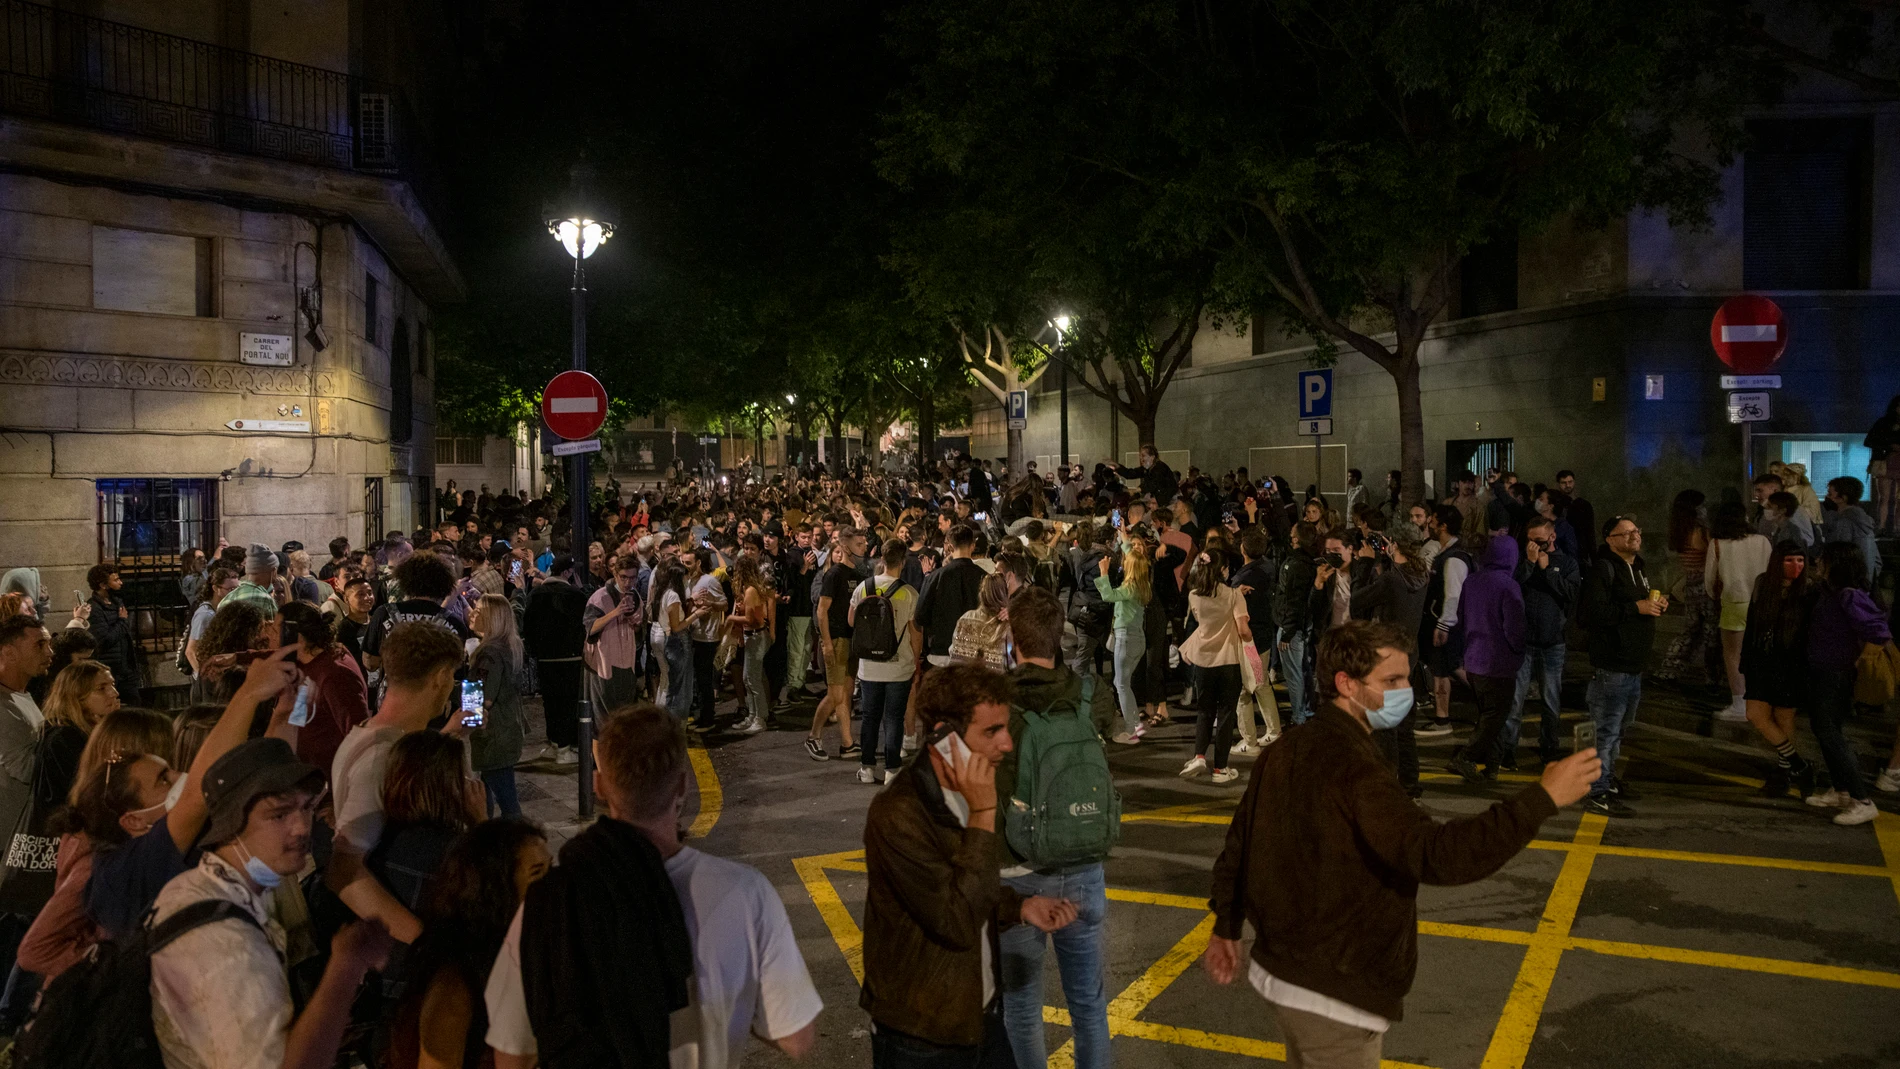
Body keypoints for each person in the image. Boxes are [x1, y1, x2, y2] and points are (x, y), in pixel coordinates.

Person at [1203, 620, 1601, 1068]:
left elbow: (1240, 840)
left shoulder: (1291, 746)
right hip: (1332, 994)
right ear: (1346, 684)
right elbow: (1437, 855)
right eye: (1390, 681)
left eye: (1406, 679)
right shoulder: (1356, 768)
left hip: (1283, 973)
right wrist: (1542, 799)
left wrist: (1227, 924)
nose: (1404, 691)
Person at [484, 705, 823, 1068]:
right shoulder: (747, 894)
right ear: (682, 786)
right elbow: (797, 1038)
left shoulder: (547, 901)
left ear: (599, 786)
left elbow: (511, 1053)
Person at [860, 665, 1076, 1069]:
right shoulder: (898, 815)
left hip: (979, 1017)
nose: (1008, 743)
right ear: (944, 737)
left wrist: (1018, 907)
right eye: (992, 731)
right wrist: (983, 813)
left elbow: (966, 883)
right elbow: (955, 919)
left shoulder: (966, 789)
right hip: (923, 1033)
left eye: (1006, 727)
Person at [148, 737, 394, 1069]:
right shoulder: (222, 941)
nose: (301, 828)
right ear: (231, 823)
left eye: (306, 807)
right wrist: (347, 966)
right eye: (278, 815)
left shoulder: (197, 888)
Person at [995, 587, 1112, 1069]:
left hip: (1021, 871)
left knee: (1022, 1007)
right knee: (1088, 1003)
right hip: (1084, 860)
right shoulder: (1090, 694)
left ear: (1013, 639)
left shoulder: (999, 703)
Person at [327, 621, 468, 946]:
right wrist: (426, 944)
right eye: (451, 676)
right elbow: (344, 869)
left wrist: (450, 736)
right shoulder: (381, 757)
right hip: (398, 951)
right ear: (439, 677)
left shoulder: (375, 736)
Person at [384, 819, 550, 1069]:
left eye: (552, 868)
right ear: (496, 891)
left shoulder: (529, 954)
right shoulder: (455, 987)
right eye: (537, 873)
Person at [1580, 515, 1666, 816]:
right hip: (1612, 665)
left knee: (1619, 730)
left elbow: (1637, 603)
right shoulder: (1602, 570)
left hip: (1633, 665)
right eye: (1626, 533)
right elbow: (1592, 613)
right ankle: (1595, 792)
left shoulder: (1637, 567)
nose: (1634, 536)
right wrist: (1636, 608)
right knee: (1605, 730)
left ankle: (1608, 779)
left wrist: (1655, 603)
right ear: (1610, 540)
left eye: (1636, 530)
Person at [1800, 543, 1889, 826]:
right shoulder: (1830, 593)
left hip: (1835, 674)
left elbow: (1878, 631)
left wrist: (1859, 662)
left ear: (1834, 564)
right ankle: (1840, 790)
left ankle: (1862, 800)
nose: (1816, 564)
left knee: (1830, 733)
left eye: (1821, 560)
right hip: (1822, 670)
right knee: (1825, 729)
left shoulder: (1849, 596)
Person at [1739, 541, 1818, 798]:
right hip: (1761, 661)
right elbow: (1752, 624)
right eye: (1789, 560)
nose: (1796, 566)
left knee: (1785, 719)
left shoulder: (1809, 590)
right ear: (1777, 562)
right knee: (1755, 714)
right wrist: (1746, 662)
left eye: (1800, 560)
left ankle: (1783, 774)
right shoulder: (1764, 584)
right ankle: (1800, 766)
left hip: (1791, 666)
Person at [1446, 533, 1526, 784]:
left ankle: (1492, 766)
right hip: (1499, 662)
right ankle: (1465, 757)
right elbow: (1515, 628)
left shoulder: (1472, 581)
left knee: (1489, 715)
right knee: (1496, 716)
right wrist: (1518, 652)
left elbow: (1460, 616)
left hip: (1474, 659)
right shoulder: (1508, 585)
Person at [1502, 517, 1580, 771]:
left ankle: (1549, 750)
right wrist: (1529, 564)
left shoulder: (1567, 563)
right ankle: (1508, 752)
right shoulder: (1525, 561)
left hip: (1552, 642)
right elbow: (1511, 588)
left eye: (1539, 541)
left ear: (1552, 537)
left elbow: (1571, 595)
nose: (1534, 545)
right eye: (1530, 541)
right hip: (1524, 641)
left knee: (1551, 701)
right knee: (1515, 701)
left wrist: (1547, 571)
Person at [851, 539, 922, 784]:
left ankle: (867, 768)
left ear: (881, 560)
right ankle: (892, 770)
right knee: (893, 718)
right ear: (902, 562)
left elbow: (852, 621)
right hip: (898, 666)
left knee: (869, 717)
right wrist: (917, 662)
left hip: (869, 666)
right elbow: (915, 634)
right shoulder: (909, 593)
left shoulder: (863, 587)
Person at [1178, 551, 1251, 785]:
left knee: (1205, 710)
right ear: (1222, 570)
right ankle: (1220, 768)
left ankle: (1199, 756)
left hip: (1203, 661)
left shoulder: (1194, 596)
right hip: (1228, 660)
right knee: (1227, 713)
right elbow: (1243, 630)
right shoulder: (1233, 596)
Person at [278, 601, 370, 780]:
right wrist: (236, 658)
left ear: (292, 634)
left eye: (274, 629)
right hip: (306, 778)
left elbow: (358, 734)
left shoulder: (335, 674)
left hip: (327, 787)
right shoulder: (307, 660)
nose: (268, 635)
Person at [1705, 502, 1772, 722]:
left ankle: (1739, 704)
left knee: (1733, 655)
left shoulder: (1717, 543)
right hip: (1763, 603)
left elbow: (1709, 581)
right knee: (1760, 652)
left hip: (1734, 602)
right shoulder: (1762, 540)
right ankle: (1763, 700)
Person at [524, 555, 588, 765]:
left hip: (545, 658)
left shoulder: (536, 594)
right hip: (570, 657)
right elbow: (585, 624)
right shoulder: (574, 595)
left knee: (550, 702)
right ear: (567, 572)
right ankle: (564, 748)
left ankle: (553, 743)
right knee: (568, 702)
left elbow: (528, 626)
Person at [470, 593, 529, 818]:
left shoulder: (489, 653)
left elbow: (483, 696)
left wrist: (453, 690)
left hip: (493, 733)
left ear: (492, 618)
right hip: (505, 729)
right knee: (489, 791)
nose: (472, 614)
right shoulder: (507, 647)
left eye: (478, 611)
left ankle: (514, 843)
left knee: (506, 799)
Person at [810, 529, 866, 760]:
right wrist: (827, 643)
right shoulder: (833, 575)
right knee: (834, 694)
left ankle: (847, 742)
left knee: (845, 693)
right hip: (836, 639)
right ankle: (813, 737)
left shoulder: (860, 575)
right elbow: (822, 611)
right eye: (859, 544)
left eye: (864, 543)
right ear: (845, 547)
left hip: (851, 639)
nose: (864, 547)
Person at [1415, 506, 1471, 737]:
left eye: (1434, 521)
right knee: (1452, 666)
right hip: (1443, 621)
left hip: (1445, 623)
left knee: (1442, 669)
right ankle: (1491, 701)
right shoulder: (1447, 554)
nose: (1430, 524)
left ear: (1444, 526)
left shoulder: (1453, 559)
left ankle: (1442, 720)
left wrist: (1443, 624)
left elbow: (1453, 595)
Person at [1096, 534, 1153, 745]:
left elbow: (1108, 595)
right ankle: (1135, 725)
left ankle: (1131, 731)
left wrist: (1103, 573)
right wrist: (1124, 540)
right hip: (1137, 638)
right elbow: (1134, 557)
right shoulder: (1143, 582)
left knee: (1121, 684)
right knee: (1124, 683)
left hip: (1126, 638)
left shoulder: (1129, 588)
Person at [1657, 490, 1716, 685]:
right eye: (1702, 505)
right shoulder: (1701, 532)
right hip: (1705, 586)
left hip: (1690, 585)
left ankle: (1670, 669)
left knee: (1690, 631)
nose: (1705, 508)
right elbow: (1712, 559)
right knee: (1711, 634)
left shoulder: (1680, 529)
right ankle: (1713, 677)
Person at [584, 557, 646, 718]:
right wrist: (616, 612)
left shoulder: (635, 596)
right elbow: (590, 628)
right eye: (623, 577)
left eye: (632, 578)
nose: (627, 582)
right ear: (615, 574)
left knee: (624, 715)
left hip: (627, 661)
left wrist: (635, 621)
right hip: (603, 663)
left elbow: (639, 630)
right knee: (602, 717)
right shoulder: (600, 597)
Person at [725, 551, 775, 734]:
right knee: (749, 678)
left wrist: (732, 618)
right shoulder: (750, 589)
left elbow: (753, 620)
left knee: (753, 680)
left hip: (756, 636)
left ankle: (760, 718)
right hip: (751, 636)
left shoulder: (751, 591)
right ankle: (753, 715)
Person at [682, 546, 729, 734]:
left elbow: (724, 604)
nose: (685, 566)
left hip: (707, 637)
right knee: (697, 679)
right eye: (683, 562)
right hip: (692, 634)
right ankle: (701, 716)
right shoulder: (687, 581)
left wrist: (710, 604)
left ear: (698, 563)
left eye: (688, 563)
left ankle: (708, 718)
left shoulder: (709, 581)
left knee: (704, 679)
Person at [81, 563, 141, 704]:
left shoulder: (116, 603)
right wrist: (122, 622)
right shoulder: (95, 609)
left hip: (125, 671)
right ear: (103, 585)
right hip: (111, 671)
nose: (120, 583)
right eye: (115, 580)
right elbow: (103, 640)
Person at [948, 571, 1012, 671]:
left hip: (965, 682)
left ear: (981, 593)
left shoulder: (966, 618)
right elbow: (1013, 665)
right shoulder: (1008, 625)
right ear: (1005, 594)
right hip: (996, 684)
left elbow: (954, 653)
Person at [1820, 476, 1882, 578]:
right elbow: (1877, 561)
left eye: (1830, 494)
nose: (1827, 497)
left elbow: (1836, 556)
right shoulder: (1864, 521)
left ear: (1843, 498)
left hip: (1848, 584)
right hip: (1863, 584)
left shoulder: (1844, 522)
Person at [183, 565, 240, 675]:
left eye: (237, 589)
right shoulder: (205, 614)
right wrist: (203, 677)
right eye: (231, 589)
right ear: (215, 588)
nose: (235, 594)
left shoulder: (223, 610)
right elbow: (190, 651)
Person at [1865, 394, 1900, 534]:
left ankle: (1896, 527)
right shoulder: (1883, 423)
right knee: (1884, 498)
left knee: (1895, 498)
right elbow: (1870, 440)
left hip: (1888, 461)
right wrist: (1891, 446)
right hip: (1885, 462)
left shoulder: (1883, 422)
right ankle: (1882, 526)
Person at [1554, 470, 1596, 566]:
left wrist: (1593, 556)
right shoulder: (1556, 504)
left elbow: (1590, 531)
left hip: (1580, 549)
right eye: (1564, 483)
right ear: (1558, 484)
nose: (1567, 485)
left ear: (1574, 482)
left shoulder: (1584, 505)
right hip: (1560, 548)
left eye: (1570, 482)